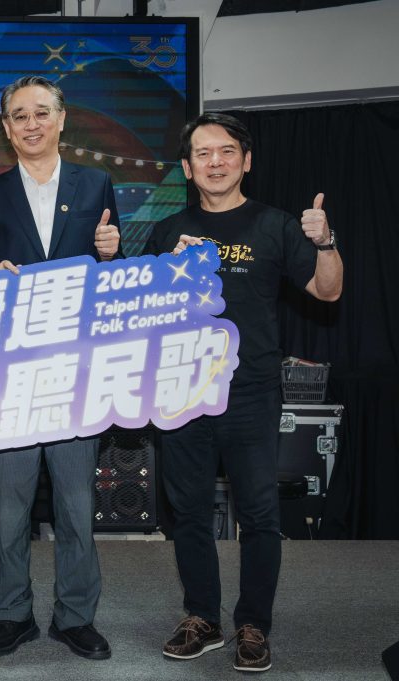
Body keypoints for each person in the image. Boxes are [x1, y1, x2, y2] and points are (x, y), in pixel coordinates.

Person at [145, 112, 342, 673]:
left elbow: (328, 292)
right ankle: (202, 618)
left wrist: (326, 242)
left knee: (258, 513)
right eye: (203, 153)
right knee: (187, 512)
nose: (216, 162)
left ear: (246, 161)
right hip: (184, 389)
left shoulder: (274, 225)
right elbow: (144, 315)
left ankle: (253, 624)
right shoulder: (167, 231)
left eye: (227, 151)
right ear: (187, 168)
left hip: (251, 390)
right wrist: (164, 271)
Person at [0, 75, 120, 661]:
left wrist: (111, 253)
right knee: (9, 507)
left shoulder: (95, 183)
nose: (32, 124)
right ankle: (12, 615)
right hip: (12, 376)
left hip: (77, 371)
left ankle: (75, 617)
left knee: (76, 504)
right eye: (20, 115)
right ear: (6, 128)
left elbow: (115, 274)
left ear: (61, 119)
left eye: (41, 113)